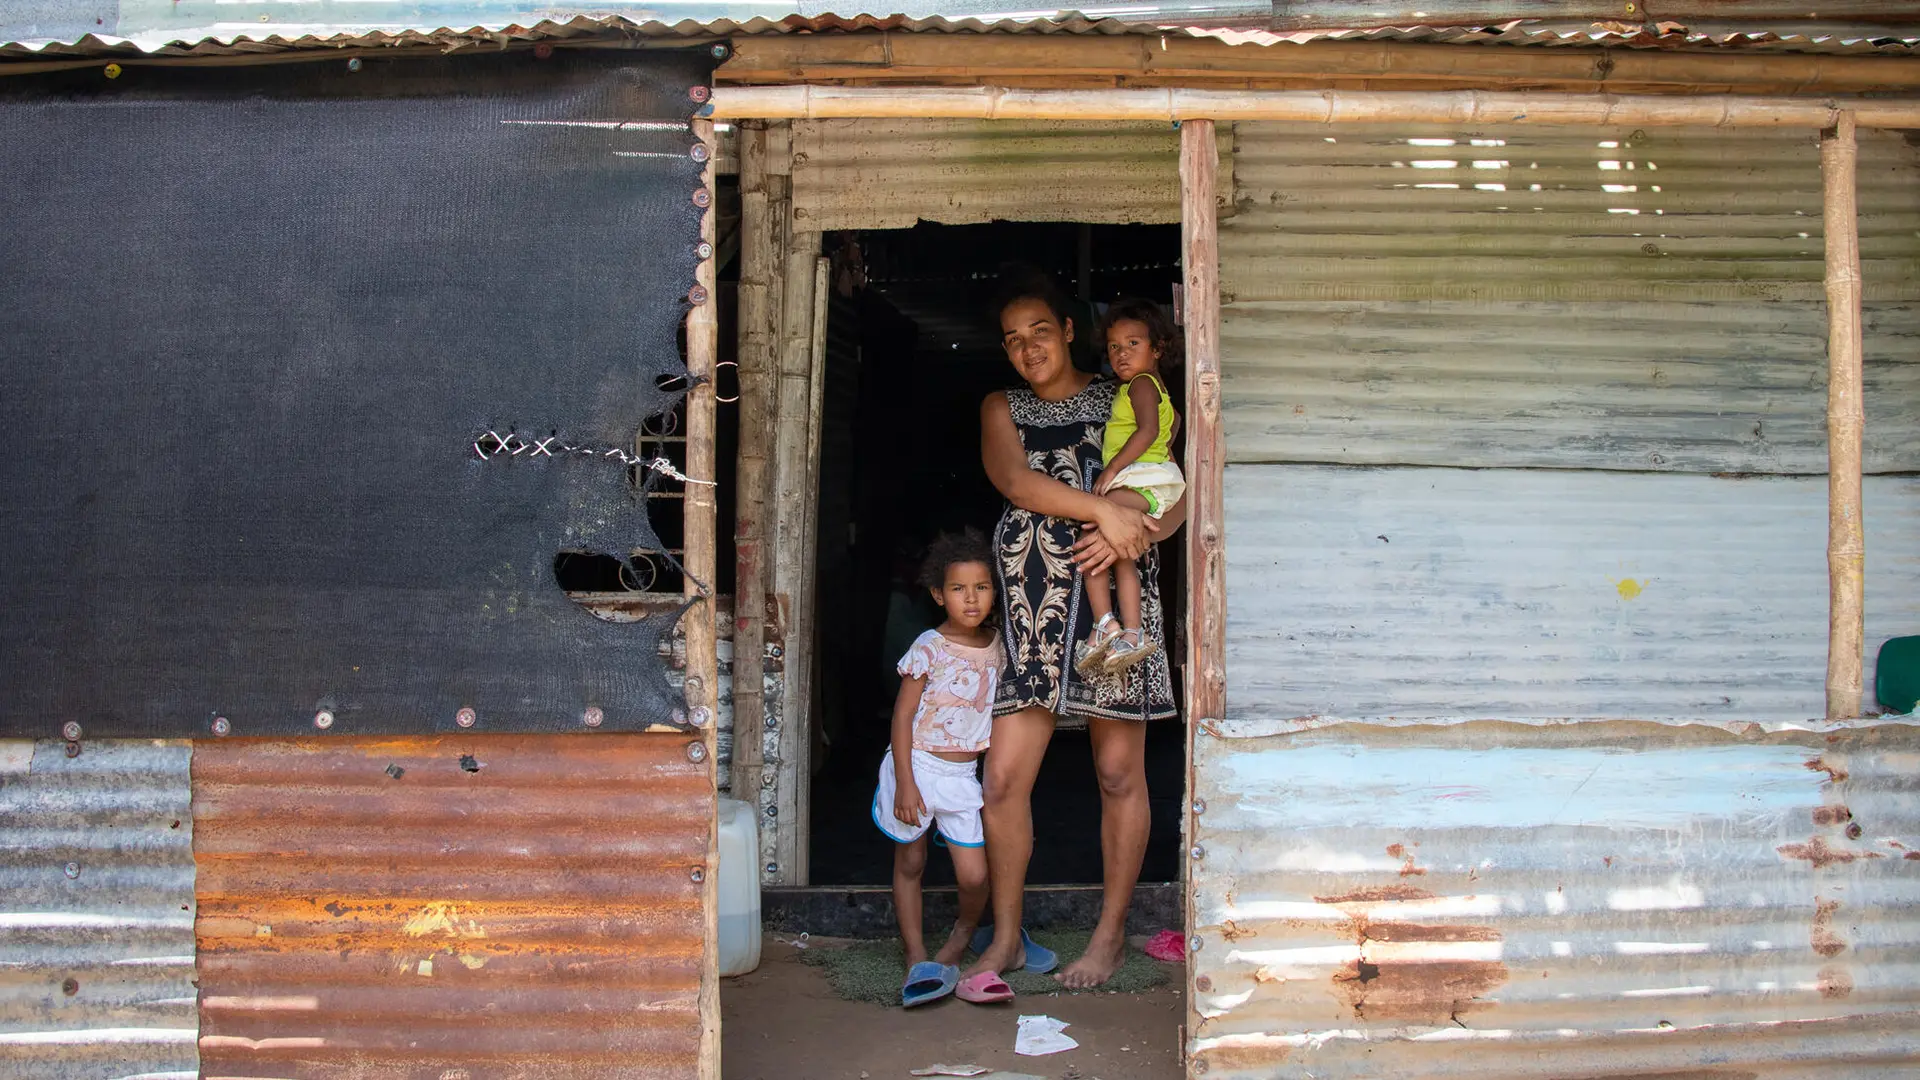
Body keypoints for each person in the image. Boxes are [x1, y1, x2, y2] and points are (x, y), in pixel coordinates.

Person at [970, 270, 1185, 995]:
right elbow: (1015, 482)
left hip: (1113, 607)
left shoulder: (1125, 392)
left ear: (1067, 330)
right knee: (1001, 780)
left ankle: (1110, 933)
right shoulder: (1004, 406)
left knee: (1119, 773)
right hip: (1030, 612)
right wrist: (1102, 513)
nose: (1027, 347)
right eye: (1012, 339)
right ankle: (1004, 936)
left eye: (1040, 330)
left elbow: (1177, 484)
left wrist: (1141, 533)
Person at [871, 531, 1004, 1006]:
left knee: (973, 875)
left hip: (961, 777)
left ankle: (963, 932)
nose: (971, 599)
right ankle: (915, 952)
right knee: (911, 861)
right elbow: (903, 715)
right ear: (937, 594)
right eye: (958, 589)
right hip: (918, 765)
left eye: (982, 587)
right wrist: (906, 782)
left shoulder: (999, 646)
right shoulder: (929, 645)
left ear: (995, 591)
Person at [1076, 300, 1186, 678]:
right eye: (1114, 347)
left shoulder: (1141, 384)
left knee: (1092, 532)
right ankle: (1132, 633)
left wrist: (1111, 470)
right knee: (1123, 553)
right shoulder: (1154, 388)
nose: (1121, 354)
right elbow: (1171, 428)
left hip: (1140, 478)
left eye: (1133, 344)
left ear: (1157, 349)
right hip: (1153, 479)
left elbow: (1149, 432)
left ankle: (1103, 624)